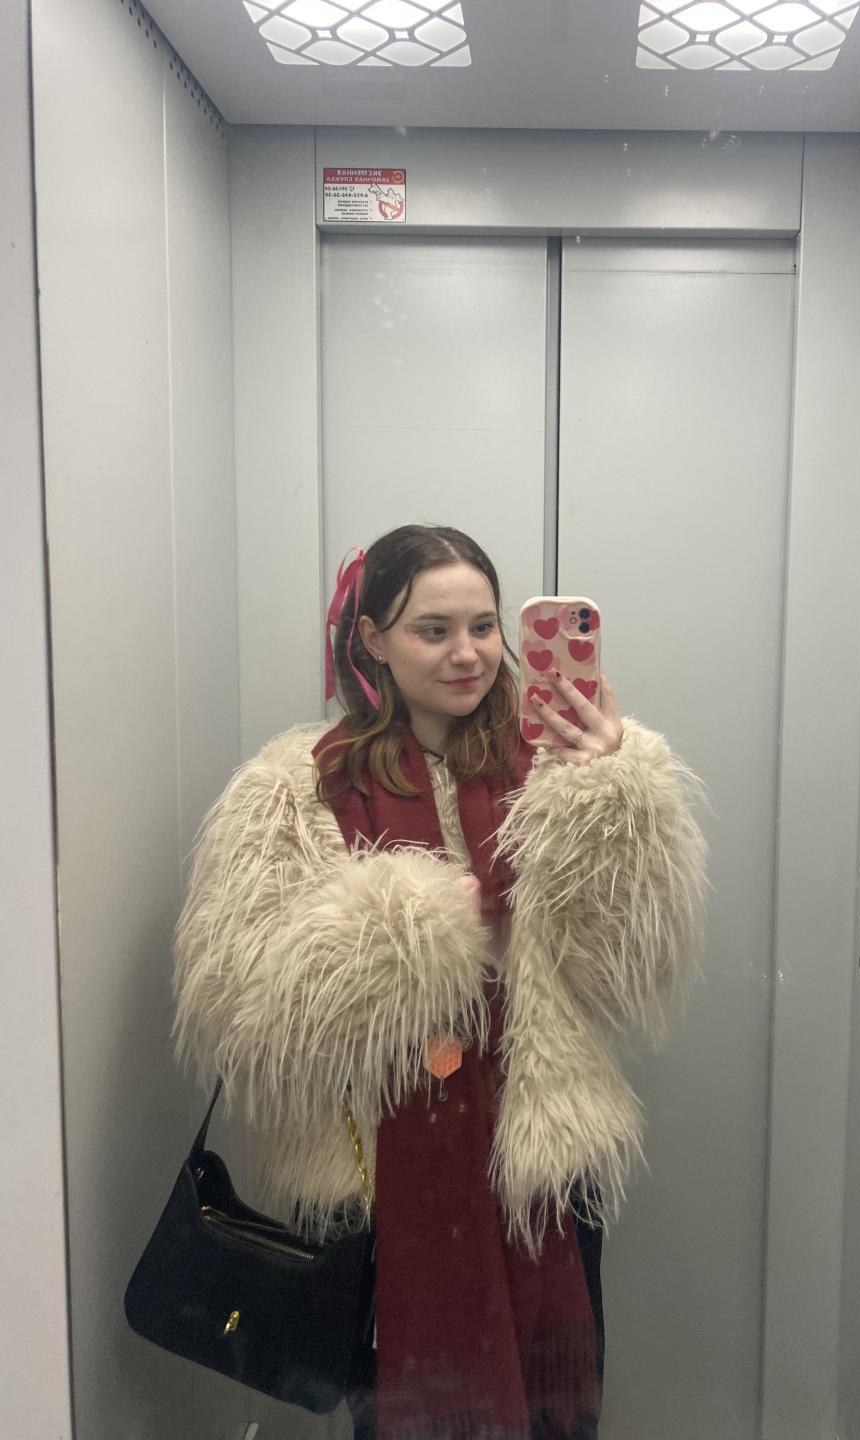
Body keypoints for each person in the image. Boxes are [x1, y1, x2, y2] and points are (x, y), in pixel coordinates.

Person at [172, 524, 708, 1440]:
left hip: (538, 1168)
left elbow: (628, 970)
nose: (469, 654)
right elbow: (245, 1008)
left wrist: (609, 798)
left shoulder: (554, 766)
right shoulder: (292, 790)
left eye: (484, 626)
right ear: (373, 639)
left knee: (551, 1407)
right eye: (434, 630)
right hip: (379, 1183)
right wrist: (413, 929)